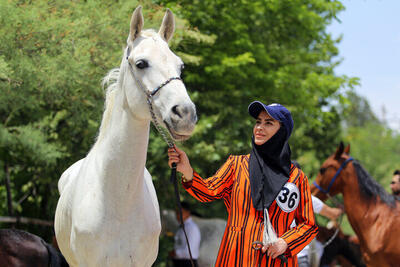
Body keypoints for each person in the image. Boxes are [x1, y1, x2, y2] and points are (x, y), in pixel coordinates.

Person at [168, 101, 318, 266]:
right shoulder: (236, 165)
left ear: (282, 131)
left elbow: (308, 225)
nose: (259, 127)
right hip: (234, 259)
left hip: (276, 262)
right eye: (258, 122)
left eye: (268, 123)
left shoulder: (296, 177)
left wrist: (285, 242)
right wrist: (187, 170)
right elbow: (208, 191)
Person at [169, 201, 201, 267]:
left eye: (180, 213)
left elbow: (189, 253)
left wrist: (175, 253)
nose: (177, 215)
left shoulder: (192, 228)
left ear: (188, 213)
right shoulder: (181, 227)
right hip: (180, 262)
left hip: (187, 263)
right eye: (176, 213)